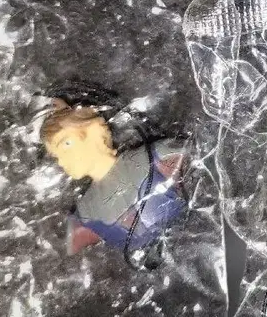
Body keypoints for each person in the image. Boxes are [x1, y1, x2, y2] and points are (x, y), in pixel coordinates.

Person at [40, 99, 186, 255]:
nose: (61, 161)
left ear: (94, 131)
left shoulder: (156, 157)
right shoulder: (84, 213)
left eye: (66, 144)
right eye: (55, 156)